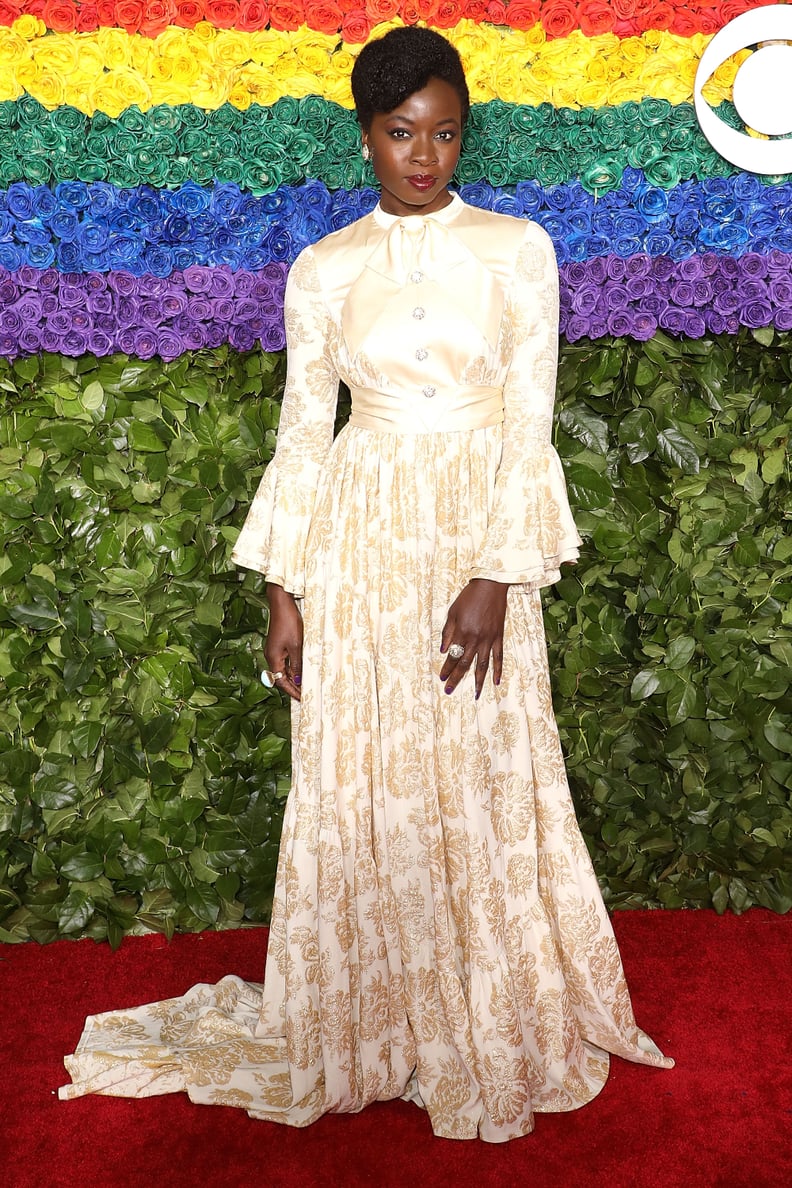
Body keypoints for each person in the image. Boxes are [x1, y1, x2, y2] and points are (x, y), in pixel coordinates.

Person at [60, 26, 672, 1142]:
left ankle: (485, 1016)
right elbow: (304, 432)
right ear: (366, 136)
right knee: (362, 779)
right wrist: (283, 588)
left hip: (474, 537)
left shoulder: (517, 248)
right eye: (401, 134)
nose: (424, 156)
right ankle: (367, 1021)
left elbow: (529, 422)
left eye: (443, 133)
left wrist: (495, 572)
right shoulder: (326, 266)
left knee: (481, 770)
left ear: (462, 134)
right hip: (358, 540)